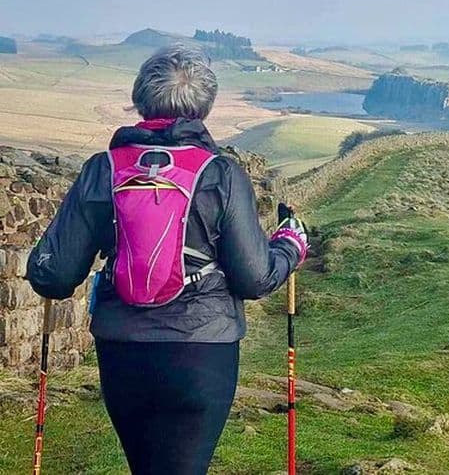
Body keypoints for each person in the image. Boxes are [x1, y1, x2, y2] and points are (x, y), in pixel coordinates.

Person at [26, 44, 308, 475]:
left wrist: (40, 262)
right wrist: (290, 244)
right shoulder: (221, 174)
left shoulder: (103, 169)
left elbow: (56, 275)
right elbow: (254, 278)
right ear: (204, 107)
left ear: (141, 99)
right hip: (202, 351)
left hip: (123, 350)